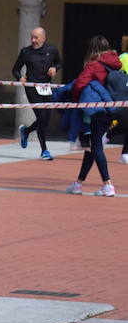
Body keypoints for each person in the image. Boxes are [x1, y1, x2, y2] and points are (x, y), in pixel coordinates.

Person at [62, 35, 120, 197]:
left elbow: (80, 83)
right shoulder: (116, 63)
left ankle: (108, 184)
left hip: (94, 110)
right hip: (111, 109)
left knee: (95, 146)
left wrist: (77, 99)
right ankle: (78, 184)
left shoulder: (93, 64)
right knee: (91, 148)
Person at [12, 26, 61, 161]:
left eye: (36, 38)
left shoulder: (51, 50)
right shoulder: (26, 52)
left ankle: (26, 131)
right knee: (41, 117)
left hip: (46, 88)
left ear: (43, 38)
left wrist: (54, 68)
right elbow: (15, 69)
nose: (33, 40)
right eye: (32, 37)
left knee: (45, 120)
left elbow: (59, 62)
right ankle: (44, 150)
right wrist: (20, 78)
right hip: (32, 88)